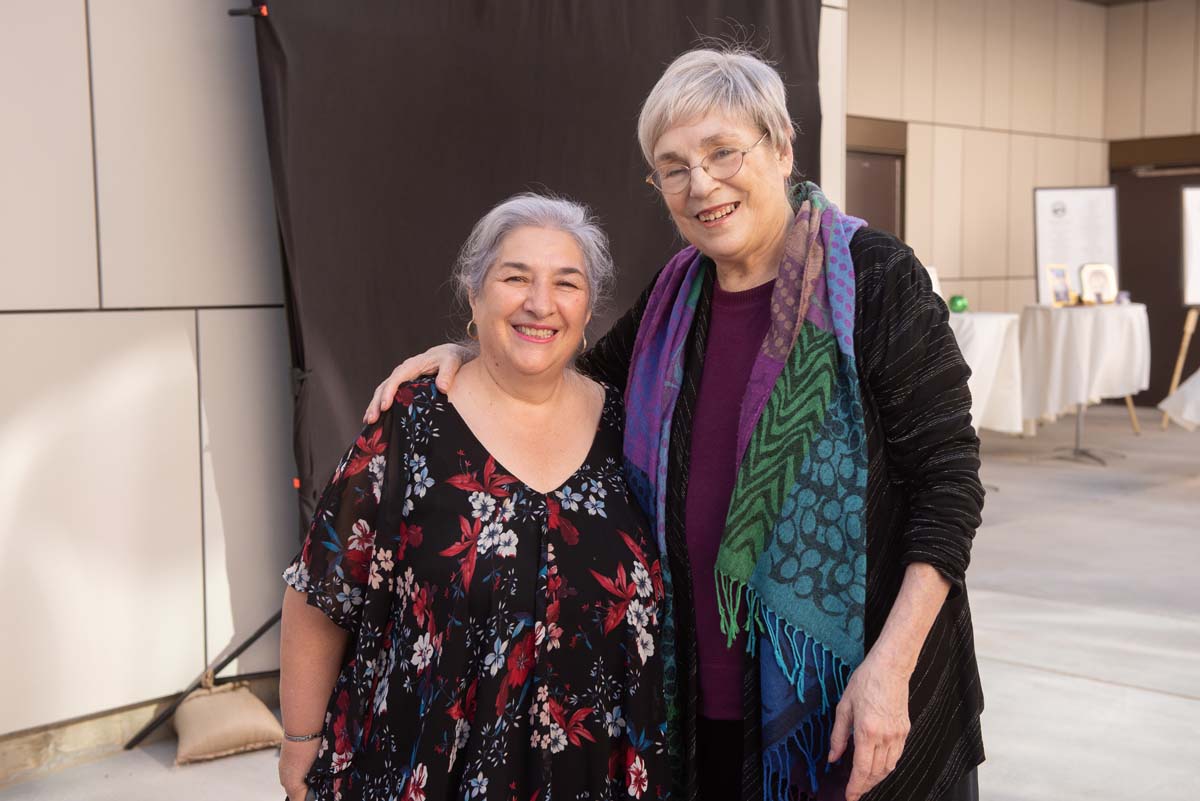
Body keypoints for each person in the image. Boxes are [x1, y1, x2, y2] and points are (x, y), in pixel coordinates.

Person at [364, 48, 984, 801]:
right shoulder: (675, 296)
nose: (703, 185)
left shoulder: (876, 278)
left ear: (782, 146)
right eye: (674, 167)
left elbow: (948, 486)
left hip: (860, 701)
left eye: (724, 153)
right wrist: (468, 349)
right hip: (703, 709)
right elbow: (572, 374)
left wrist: (891, 668)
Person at [279, 194, 670, 801]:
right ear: (474, 293)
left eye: (566, 283)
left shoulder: (633, 428)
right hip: (426, 771)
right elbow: (319, 592)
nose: (540, 303)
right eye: (516, 277)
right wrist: (300, 743)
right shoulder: (410, 424)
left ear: (590, 305)